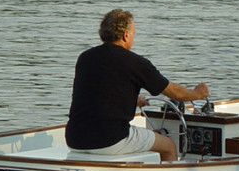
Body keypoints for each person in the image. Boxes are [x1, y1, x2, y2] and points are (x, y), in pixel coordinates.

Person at [65, 9, 209, 162]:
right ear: (126, 35)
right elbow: (175, 93)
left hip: (75, 139)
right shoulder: (136, 63)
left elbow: (99, 95)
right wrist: (197, 94)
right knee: (168, 146)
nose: (133, 37)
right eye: (134, 33)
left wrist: (135, 100)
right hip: (110, 140)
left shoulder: (85, 58)